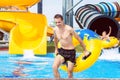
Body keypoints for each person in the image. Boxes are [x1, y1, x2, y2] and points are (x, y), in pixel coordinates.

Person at [52, 14, 91, 78]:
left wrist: (85, 50)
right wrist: (56, 49)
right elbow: (55, 39)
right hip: (62, 51)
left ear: (62, 21)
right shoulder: (55, 30)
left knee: (69, 72)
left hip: (71, 52)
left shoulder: (69, 29)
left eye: (59, 22)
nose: (57, 24)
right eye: (56, 22)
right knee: (54, 67)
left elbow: (79, 39)